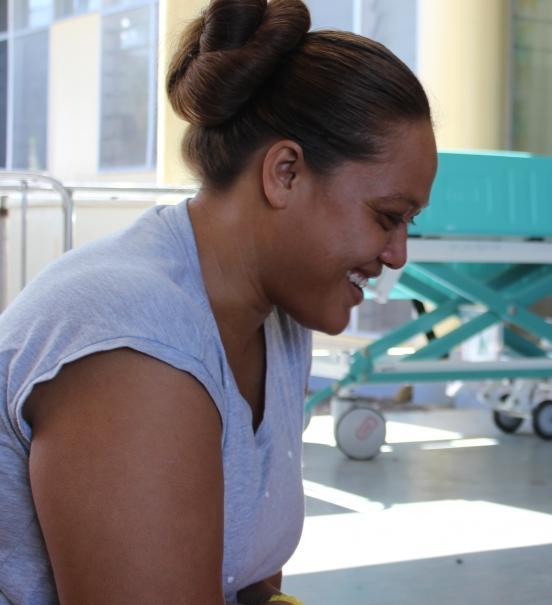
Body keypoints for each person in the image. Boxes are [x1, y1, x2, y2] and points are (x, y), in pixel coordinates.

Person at [0, 0, 436, 602]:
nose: (398, 254)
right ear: (284, 172)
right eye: (388, 216)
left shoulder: (276, 323)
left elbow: (245, 571)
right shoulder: (136, 343)